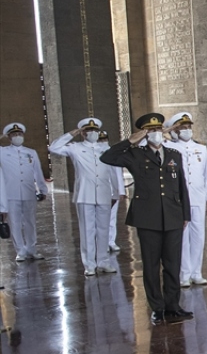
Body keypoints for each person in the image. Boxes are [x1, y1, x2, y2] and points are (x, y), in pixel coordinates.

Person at [100, 113, 192, 324]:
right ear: (144, 134)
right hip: (147, 218)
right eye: (151, 131)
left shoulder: (173, 154)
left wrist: (186, 214)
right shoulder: (135, 155)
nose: (156, 134)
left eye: (158, 130)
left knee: (172, 264)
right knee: (151, 265)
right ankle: (157, 307)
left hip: (173, 216)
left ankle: (173, 305)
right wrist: (131, 140)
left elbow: (181, 186)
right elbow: (107, 157)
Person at [48, 118, 119, 275]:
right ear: (83, 133)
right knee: (87, 231)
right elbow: (54, 148)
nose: (93, 133)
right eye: (88, 130)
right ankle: (89, 265)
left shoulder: (106, 149)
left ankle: (103, 261)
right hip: (84, 195)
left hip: (104, 194)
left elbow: (113, 172)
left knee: (103, 229)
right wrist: (71, 134)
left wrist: (115, 192)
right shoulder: (75, 148)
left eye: (95, 130)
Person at [164, 112, 207, 286]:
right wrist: (168, 130)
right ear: (175, 130)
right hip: (179, 198)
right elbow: (145, 141)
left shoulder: (200, 148)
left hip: (199, 196)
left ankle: (196, 272)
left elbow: (206, 173)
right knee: (182, 237)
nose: (186, 130)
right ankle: (184, 274)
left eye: (188, 127)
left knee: (198, 236)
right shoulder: (169, 147)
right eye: (182, 127)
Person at [0, 122, 49, 261]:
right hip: (11, 193)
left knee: (30, 222)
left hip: (28, 192)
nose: (18, 136)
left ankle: (32, 249)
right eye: (14, 134)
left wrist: (42, 189)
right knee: (14, 222)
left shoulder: (31, 152)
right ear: (9, 137)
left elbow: (37, 172)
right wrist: (2, 136)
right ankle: (20, 251)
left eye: (20, 134)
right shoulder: (3, 152)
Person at [99, 131, 125, 252]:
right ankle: (101, 242)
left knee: (112, 217)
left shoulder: (113, 153)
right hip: (98, 191)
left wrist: (121, 191)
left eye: (104, 139)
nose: (103, 142)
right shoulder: (93, 153)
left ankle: (111, 241)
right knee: (100, 218)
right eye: (100, 140)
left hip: (112, 190)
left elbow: (118, 173)